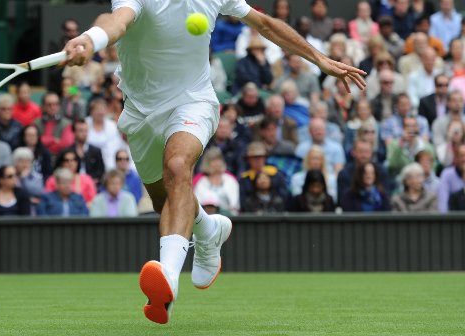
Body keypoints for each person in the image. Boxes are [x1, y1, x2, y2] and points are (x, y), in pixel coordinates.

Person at [61, 0, 366, 324]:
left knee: (177, 168)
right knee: (165, 199)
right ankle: (208, 230)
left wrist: (318, 59)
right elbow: (116, 21)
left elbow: (265, 24)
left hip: (193, 102)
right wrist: (91, 39)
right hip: (140, 111)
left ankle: (168, 281)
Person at [193, 148, 240, 215]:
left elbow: (235, 205)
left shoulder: (230, 180)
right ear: (207, 163)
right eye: (213, 160)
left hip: (228, 218)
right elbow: (198, 205)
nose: (217, 163)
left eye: (219, 159)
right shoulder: (201, 182)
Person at [85, 98, 122, 170]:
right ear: (91, 111)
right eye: (97, 109)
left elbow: (116, 146)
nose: (100, 112)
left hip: (109, 161)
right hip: (89, 160)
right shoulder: (85, 123)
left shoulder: (112, 125)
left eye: (102, 109)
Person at [69, 119, 105, 186]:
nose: (84, 134)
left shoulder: (96, 151)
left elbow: (101, 172)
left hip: (92, 186)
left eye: (86, 131)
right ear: (74, 132)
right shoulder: (68, 152)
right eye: (81, 131)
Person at [12, 147, 45, 214]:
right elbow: (16, 194)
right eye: (21, 161)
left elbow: (38, 192)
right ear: (15, 163)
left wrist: (24, 179)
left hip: (35, 208)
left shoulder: (37, 176)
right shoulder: (11, 176)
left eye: (27, 161)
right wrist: (29, 199)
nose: (24, 164)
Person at [437, 143, 465, 212]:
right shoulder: (447, 174)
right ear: (456, 158)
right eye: (461, 155)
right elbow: (443, 203)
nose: (464, 159)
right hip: (454, 219)